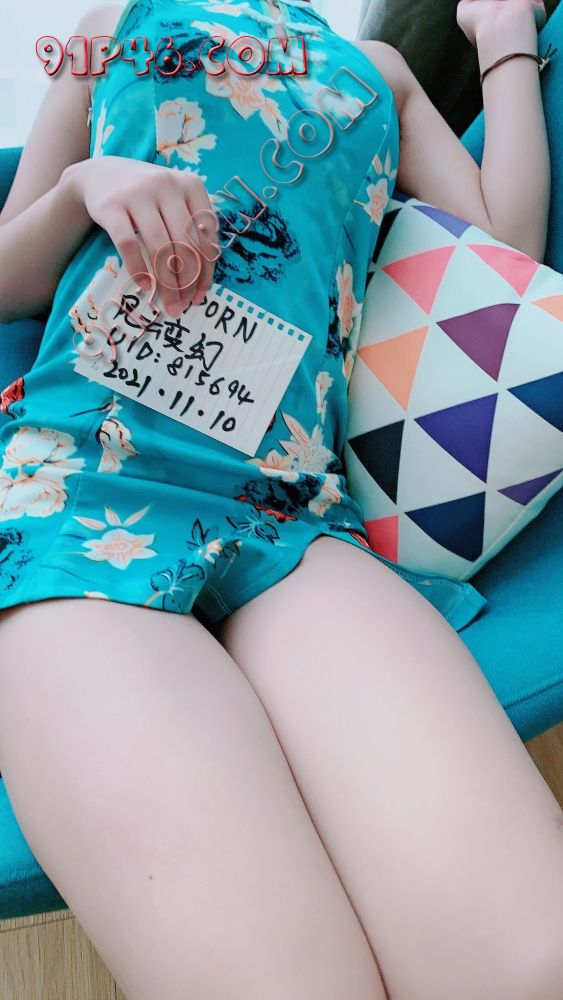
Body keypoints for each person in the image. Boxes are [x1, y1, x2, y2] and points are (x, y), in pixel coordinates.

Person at [0, 0, 562, 997]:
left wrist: (501, 33)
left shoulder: (375, 72)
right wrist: (83, 187)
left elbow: (503, 246)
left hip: (293, 515)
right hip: (81, 487)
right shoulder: (117, 23)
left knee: (527, 960)